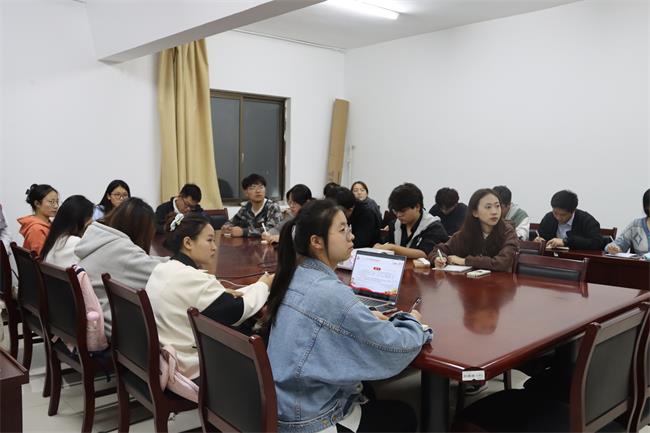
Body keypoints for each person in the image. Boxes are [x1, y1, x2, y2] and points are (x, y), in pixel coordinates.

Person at [264, 199, 431, 433]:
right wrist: (413, 322)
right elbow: (394, 348)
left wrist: (363, 315)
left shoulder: (295, 275)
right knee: (403, 414)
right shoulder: (330, 293)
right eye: (342, 230)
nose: (351, 236)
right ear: (316, 242)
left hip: (284, 406)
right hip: (311, 420)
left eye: (349, 228)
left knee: (370, 390)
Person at [146, 213, 274, 379]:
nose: (214, 247)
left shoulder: (164, 268)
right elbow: (237, 312)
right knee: (262, 332)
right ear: (188, 243)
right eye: (209, 240)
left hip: (166, 353)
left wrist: (221, 294)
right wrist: (264, 284)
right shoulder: (190, 278)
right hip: (191, 367)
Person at [75, 197, 166, 335]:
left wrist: (170, 261)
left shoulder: (101, 238)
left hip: (95, 319)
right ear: (141, 230)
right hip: (115, 332)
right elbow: (161, 273)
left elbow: (144, 261)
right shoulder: (123, 251)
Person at [429, 188, 518, 272]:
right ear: (475, 212)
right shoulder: (468, 231)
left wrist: (465, 261)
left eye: (497, 206)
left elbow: (502, 263)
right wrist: (438, 258)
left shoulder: (508, 232)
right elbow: (439, 250)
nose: (494, 212)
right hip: (470, 281)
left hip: (500, 282)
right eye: (488, 207)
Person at [374, 183, 448, 259]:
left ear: (417, 207)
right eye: (395, 211)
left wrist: (392, 248)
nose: (398, 215)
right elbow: (385, 245)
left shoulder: (433, 226)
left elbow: (427, 254)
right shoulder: (395, 225)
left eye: (403, 211)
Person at [535, 190, 603, 250]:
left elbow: (597, 243)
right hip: (551, 257)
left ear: (573, 211)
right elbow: (541, 236)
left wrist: (566, 242)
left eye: (563, 215)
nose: (558, 217)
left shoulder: (587, 220)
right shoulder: (549, 217)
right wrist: (538, 240)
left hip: (578, 258)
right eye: (555, 213)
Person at [223, 173, 282, 238]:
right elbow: (232, 222)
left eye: (261, 187)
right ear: (246, 193)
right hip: (248, 243)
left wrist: (244, 232)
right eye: (253, 188)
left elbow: (272, 230)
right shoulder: (246, 208)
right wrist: (227, 227)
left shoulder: (273, 207)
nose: (258, 191)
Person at [41, 195, 94, 267]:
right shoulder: (77, 243)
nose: (92, 221)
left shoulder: (55, 238)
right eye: (90, 217)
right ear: (82, 219)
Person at [18, 184, 59, 257]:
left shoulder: (48, 224)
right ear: (37, 204)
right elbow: (41, 260)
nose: (56, 206)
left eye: (57, 201)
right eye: (51, 202)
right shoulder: (36, 230)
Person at [605, 189, 650, 255]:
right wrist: (613, 248)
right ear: (647, 207)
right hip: (640, 262)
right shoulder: (636, 225)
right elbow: (619, 244)